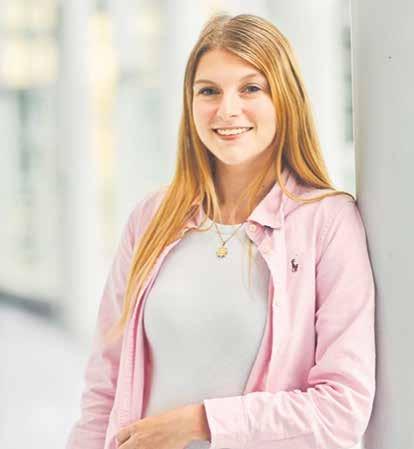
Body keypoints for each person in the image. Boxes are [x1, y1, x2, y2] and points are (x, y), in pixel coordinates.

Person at [66, 12, 376, 449]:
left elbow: (342, 409)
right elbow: (104, 390)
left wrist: (201, 422)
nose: (227, 109)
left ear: (285, 98)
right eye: (208, 91)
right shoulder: (151, 219)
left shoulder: (326, 222)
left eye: (251, 88)